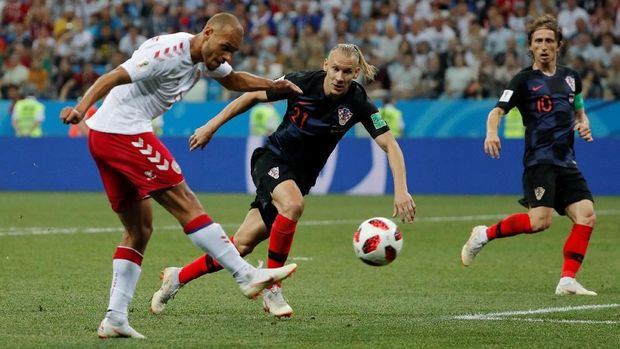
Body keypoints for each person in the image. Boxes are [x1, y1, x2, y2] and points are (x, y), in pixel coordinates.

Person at [59, 13, 302, 339]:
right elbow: (115, 76)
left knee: (139, 229)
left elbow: (233, 81)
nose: (227, 57)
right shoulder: (167, 53)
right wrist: (80, 107)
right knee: (186, 202)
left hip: (108, 135)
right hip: (122, 132)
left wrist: (273, 86)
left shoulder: (206, 57)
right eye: (225, 47)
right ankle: (245, 275)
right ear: (207, 33)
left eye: (233, 52)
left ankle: (115, 318)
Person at [149, 43, 417, 318]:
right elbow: (250, 97)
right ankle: (272, 288)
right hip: (272, 160)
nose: (339, 77)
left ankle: (177, 277)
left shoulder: (358, 102)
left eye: (347, 72)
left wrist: (401, 190)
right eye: (335, 69)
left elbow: (390, 145)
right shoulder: (299, 83)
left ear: (356, 72)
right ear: (326, 65)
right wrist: (210, 126)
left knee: (240, 245)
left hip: (301, 178)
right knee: (292, 205)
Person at [460, 15, 597, 296]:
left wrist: (583, 123)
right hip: (540, 160)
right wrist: (491, 132)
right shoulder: (523, 81)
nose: (544, 46)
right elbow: (497, 110)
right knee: (540, 222)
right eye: (538, 41)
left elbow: (579, 108)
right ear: (531, 47)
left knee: (587, 215)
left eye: (549, 40)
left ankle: (567, 280)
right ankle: (483, 235)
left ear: (559, 45)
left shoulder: (572, 78)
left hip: (567, 160)